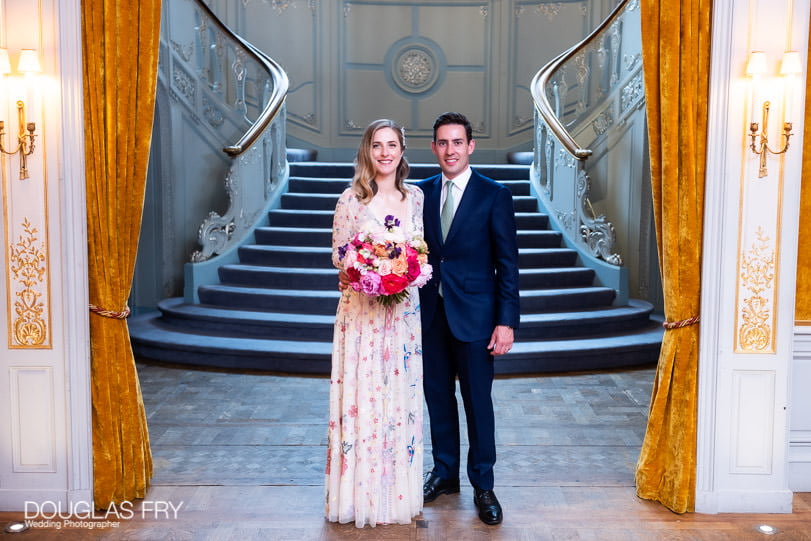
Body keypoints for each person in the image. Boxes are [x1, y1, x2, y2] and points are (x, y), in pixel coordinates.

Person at [416, 112, 520, 526]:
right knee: (437, 398)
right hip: (429, 316)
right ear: (434, 148)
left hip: (477, 318)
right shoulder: (420, 194)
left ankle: (483, 484)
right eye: (442, 143)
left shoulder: (494, 195)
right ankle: (444, 473)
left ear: (470, 146)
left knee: (478, 403)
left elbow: (507, 265)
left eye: (457, 142)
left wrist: (506, 321)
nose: (450, 150)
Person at [325, 119, 425, 527]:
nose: (385, 152)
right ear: (367, 152)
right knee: (363, 399)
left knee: (398, 401)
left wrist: (401, 272)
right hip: (361, 316)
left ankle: (394, 498)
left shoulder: (415, 198)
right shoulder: (351, 200)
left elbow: (421, 254)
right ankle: (357, 498)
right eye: (377, 146)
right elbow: (338, 260)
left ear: (402, 150)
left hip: (402, 316)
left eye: (392, 145)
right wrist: (368, 271)